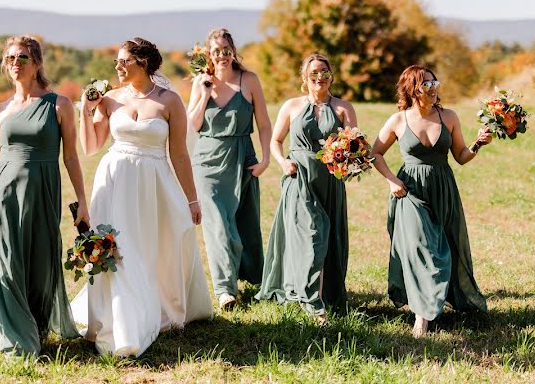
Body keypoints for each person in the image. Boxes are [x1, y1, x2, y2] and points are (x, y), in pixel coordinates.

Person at [71, 37, 212, 357]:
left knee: (152, 245)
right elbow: (92, 147)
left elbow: (179, 154)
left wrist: (191, 198)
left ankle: (156, 303)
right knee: (119, 248)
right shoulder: (110, 99)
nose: (117, 67)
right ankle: (120, 315)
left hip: (153, 183)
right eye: (117, 62)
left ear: (143, 62)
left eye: (124, 61)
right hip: (116, 180)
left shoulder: (169, 101)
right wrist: (86, 111)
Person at [0, 35, 90, 355]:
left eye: (22, 58)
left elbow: (70, 157)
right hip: (2, 195)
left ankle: (35, 323)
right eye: (10, 59)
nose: (16, 64)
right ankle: (16, 338)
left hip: (42, 191)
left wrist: (83, 199)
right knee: (8, 264)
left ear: (37, 63)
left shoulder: (59, 104)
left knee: (40, 263)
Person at [370, 65, 492, 337]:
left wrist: (478, 144)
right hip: (409, 191)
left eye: (435, 82)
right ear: (412, 89)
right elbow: (375, 153)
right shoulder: (398, 120)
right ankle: (422, 315)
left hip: (443, 188)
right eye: (426, 84)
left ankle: (434, 303)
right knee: (422, 249)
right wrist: (392, 180)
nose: (434, 88)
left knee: (443, 246)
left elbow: (460, 156)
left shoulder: (449, 116)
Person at [256, 53, 357, 324]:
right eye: (314, 72)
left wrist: (348, 157)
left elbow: (354, 145)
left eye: (324, 71)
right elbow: (276, 141)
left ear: (331, 75)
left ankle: (323, 293)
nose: (319, 76)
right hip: (299, 178)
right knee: (313, 234)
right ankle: (313, 302)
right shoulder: (291, 106)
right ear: (305, 76)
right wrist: (282, 161)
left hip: (330, 181)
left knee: (327, 235)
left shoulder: (343, 108)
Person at [187, 28, 271, 310]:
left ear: (233, 51)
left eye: (225, 50)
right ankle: (225, 289)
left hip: (242, 157)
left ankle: (252, 276)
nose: (221, 56)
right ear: (208, 56)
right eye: (216, 51)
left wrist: (266, 158)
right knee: (218, 224)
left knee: (245, 222)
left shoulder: (249, 80)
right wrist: (204, 94)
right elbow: (193, 125)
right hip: (207, 161)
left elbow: (264, 123)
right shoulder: (201, 82)